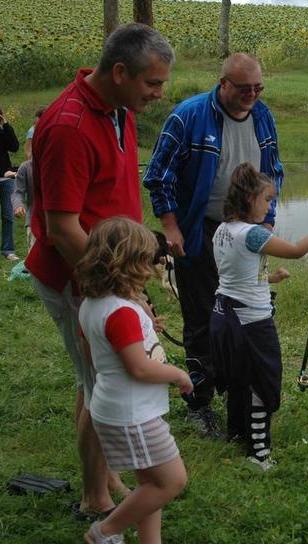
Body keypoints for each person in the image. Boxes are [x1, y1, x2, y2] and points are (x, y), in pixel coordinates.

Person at [25, 23, 174, 521]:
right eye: (152, 83)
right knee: (103, 383)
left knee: (92, 377)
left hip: (109, 273)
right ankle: (96, 498)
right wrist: (118, 290)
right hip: (79, 276)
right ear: (120, 72)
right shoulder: (69, 126)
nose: (158, 94)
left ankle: (104, 473)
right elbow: (63, 229)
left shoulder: (119, 109)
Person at [143, 52, 284, 439]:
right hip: (199, 229)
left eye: (258, 88)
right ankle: (199, 402)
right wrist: (170, 227)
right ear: (223, 83)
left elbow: (273, 172)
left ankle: (241, 394)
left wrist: (267, 222)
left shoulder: (263, 116)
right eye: (244, 88)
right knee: (203, 316)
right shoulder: (189, 115)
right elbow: (159, 176)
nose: (252, 95)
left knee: (250, 312)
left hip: (248, 230)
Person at [210, 163, 308, 470]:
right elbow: (297, 251)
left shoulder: (222, 229)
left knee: (239, 380)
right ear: (250, 199)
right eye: (267, 200)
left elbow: (235, 274)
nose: (270, 207)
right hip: (251, 323)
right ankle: (259, 454)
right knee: (262, 384)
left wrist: (271, 279)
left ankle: (237, 435)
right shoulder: (253, 234)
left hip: (223, 315)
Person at [76, 217, 191, 544]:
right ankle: (104, 532)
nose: (152, 267)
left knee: (150, 484)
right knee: (171, 481)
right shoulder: (121, 312)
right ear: (129, 264)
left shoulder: (91, 305)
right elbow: (139, 369)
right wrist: (178, 374)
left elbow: (91, 355)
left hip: (116, 408)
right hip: (133, 415)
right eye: (146, 260)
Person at [0, 105, 20, 261]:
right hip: (4, 174)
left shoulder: (2, 131)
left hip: (7, 179)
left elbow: (14, 147)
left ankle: (8, 250)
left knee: (8, 215)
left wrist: (6, 124)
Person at [12, 159, 34, 252]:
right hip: (34, 221)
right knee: (35, 257)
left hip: (62, 222)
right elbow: (18, 192)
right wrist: (18, 205)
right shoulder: (26, 167)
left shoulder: (62, 164)